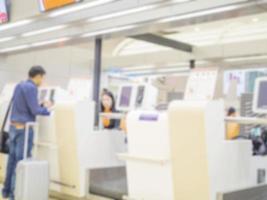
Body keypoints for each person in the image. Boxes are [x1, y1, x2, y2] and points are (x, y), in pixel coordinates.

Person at [2, 66, 52, 200]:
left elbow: (23, 106)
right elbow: (34, 110)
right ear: (38, 76)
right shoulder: (31, 88)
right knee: (21, 162)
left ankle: (6, 192)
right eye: (42, 78)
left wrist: (38, 105)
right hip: (24, 129)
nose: (42, 81)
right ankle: (14, 195)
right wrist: (48, 109)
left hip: (13, 128)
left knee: (12, 161)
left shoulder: (19, 85)